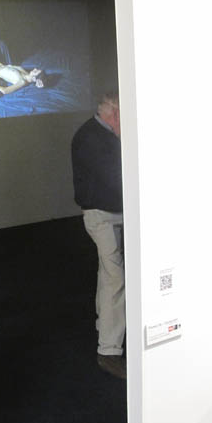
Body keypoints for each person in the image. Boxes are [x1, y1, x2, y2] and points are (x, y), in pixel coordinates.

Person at [71, 92, 126, 379]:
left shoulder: (100, 133)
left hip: (113, 213)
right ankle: (109, 350)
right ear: (114, 114)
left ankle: (104, 324)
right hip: (101, 216)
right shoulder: (91, 138)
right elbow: (115, 180)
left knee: (109, 273)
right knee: (115, 277)